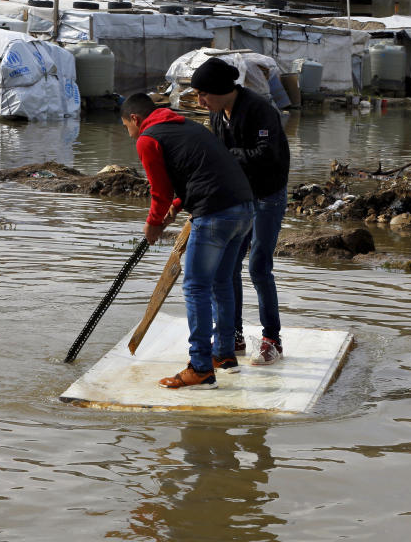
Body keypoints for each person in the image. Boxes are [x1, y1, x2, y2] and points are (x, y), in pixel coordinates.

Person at [121, 92, 254, 389]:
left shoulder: (147, 138)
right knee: (221, 281)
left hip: (215, 213)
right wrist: (179, 204)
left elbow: (159, 191)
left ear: (135, 119)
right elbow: (202, 170)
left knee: (195, 287)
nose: (129, 134)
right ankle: (224, 355)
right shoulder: (187, 125)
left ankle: (201, 367)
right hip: (245, 209)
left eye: (126, 127)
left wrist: (153, 223)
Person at [191, 58, 290, 366]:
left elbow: (267, 155)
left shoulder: (259, 109)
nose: (200, 101)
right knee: (229, 268)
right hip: (238, 198)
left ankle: (272, 338)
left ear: (222, 90)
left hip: (267, 196)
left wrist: (228, 155)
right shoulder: (218, 115)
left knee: (259, 267)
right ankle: (233, 333)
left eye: (204, 94)